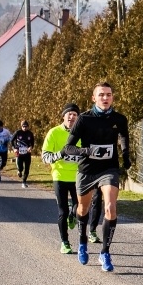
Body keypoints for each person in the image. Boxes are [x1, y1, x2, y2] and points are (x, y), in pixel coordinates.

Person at [62, 82, 131, 272]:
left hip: (109, 168)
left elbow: (124, 136)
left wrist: (125, 155)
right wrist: (86, 151)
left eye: (109, 95)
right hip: (87, 170)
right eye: (101, 95)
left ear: (113, 97)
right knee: (82, 208)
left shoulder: (119, 119)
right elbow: (67, 148)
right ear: (94, 98)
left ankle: (105, 252)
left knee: (110, 207)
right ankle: (83, 241)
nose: (105, 98)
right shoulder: (84, 119)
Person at [42, 104, 83, 254]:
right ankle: (65, 243)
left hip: (78, 176)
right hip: (59, 176)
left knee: (80, 209)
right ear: (64, 116)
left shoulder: (82, 133)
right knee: (62, 212)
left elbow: (87, 153)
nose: (72, 117)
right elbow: (45, 157)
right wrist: (60, 154)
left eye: (75, 114)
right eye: (69, 114)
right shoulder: (54, 133)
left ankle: (73, 215)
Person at [12, 120, 35, 188]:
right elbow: (11, 140)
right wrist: (14, 148)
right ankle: (19, 171)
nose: (25, 128)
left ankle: (24, 182)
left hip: (27, 153)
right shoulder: (17, 132)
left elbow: (32, 142)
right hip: (19, 153)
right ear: (21, 126)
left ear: (28, 127)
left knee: (27, 168)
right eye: (23, 126)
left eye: (26, 126)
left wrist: (31, 147)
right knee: (21, 167)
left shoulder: (30, 133)